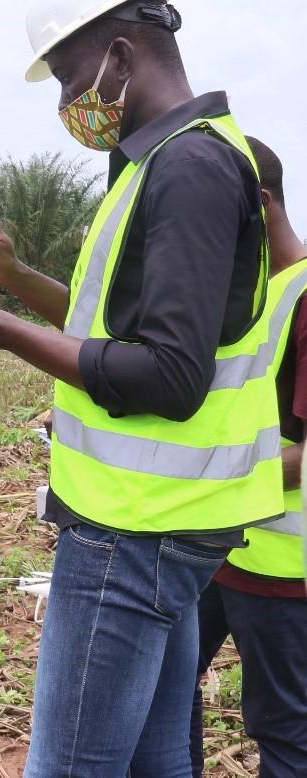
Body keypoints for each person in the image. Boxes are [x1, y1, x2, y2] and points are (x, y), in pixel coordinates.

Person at [0, 2, 282, 774]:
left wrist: (3, 333)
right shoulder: (156, 164)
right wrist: (7, 281)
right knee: (155, 762)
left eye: (69, 76)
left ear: (118, 54)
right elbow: (107, 330)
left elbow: (172, 376)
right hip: (159, 528)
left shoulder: (189, 168)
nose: (65, 102)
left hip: (131, 531)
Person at [190, 137, 307, 777]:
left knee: (286, 731)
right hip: (221, 549)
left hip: (285, 570)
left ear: (258, 204)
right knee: (167, 689)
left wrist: (212, 478)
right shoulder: (259, 294)